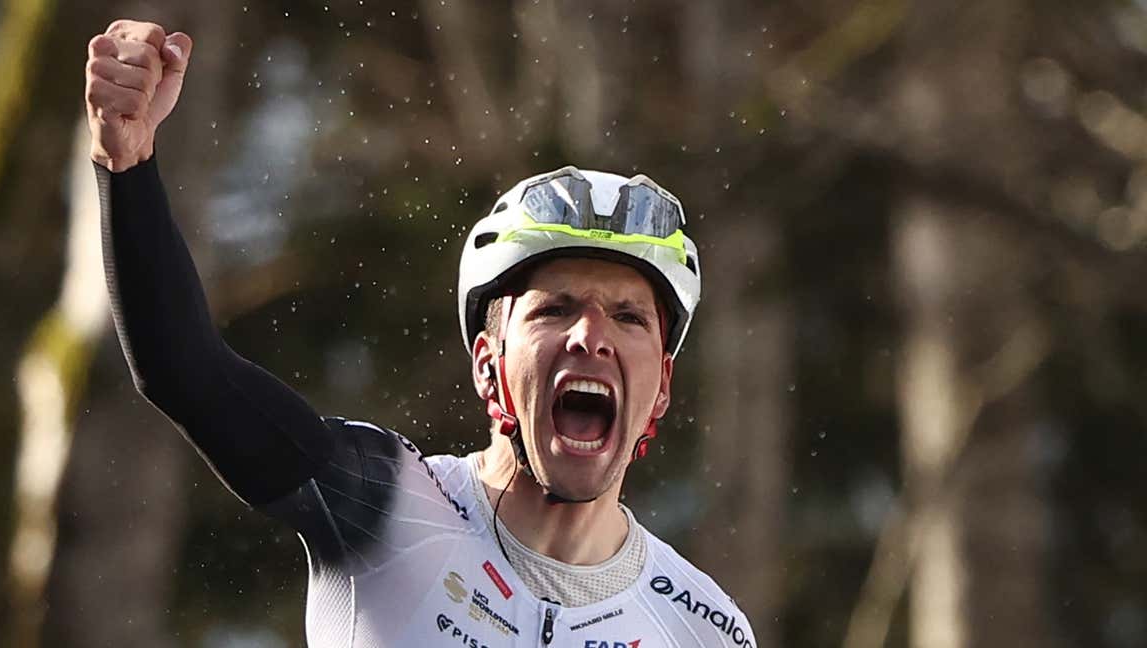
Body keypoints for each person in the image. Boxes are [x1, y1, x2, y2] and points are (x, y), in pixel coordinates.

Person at [86, 18, 757, 648]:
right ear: (488, 365)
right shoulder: (386, 504)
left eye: (628, 316)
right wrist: (129, 161)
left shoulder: (704, 626)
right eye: (554, 309)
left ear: (662, 386)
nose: (591, 335)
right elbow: (185, 371)